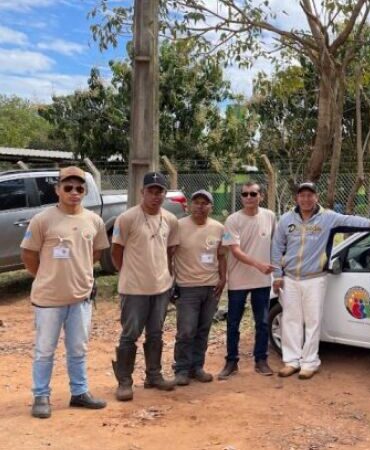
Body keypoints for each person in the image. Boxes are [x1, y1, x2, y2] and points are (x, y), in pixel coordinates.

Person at [20, 166, 110, 418]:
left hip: (80, 298)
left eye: (79, 188)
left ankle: (79, 393)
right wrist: (46, 277)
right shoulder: (42, 220)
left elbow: (95, 253)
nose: (74, 192)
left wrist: (79, 275)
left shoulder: (94, 221)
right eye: (68, 187)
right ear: (57, 189)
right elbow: (28, 255)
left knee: (78, 348)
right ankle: (41, 395)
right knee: (45, 349)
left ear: (85, 191)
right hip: (49, 299)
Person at [272, 181, 370, 380]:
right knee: (290, 320)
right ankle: (291, 361)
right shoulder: (286, 219)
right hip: (289, 278)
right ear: (297, 198)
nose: (306, 199)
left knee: (313, 321)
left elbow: (349, 219)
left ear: (316, 197)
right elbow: (276, 247)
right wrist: (277, 275)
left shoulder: (328, 218)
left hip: (315, 279)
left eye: (310, 195)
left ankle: (309, 363)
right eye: (302, 195)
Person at [111, 171, 180, 401]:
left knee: (156, 333)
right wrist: (128, 273)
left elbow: (170, 251)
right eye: (151, 191)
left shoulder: (170, 219)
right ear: (142, 192)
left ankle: (154, 375)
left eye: (159, 191)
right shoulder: (127, 218)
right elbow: (116, 251)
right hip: (134, 289)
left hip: (160, 288)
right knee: (130, 334)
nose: (155, 195)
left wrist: (168, 277)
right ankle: (124, 381)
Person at [218, 182, 276, 379]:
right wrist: (259, 264)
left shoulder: (270, 216)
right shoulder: (232, 220)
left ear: (261, 196)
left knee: (262, 322)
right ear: (241, 197)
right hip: (238, 280)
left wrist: (277, 271)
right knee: (233, 322)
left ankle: (261, 360)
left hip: (262, 281)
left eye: (253, 194)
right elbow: (234, 250)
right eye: (245, 194)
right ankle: (231, 362)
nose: (249, 197)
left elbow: (275, 244)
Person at [172, 190, 227, 385]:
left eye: (205, 203)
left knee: (203, 329)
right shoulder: (178, 226)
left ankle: (197, 367)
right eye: (196, 202)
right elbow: (169, 254)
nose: (200, 206)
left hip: (211, 287)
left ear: (211, 207)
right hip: (187, 287)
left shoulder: (218, 228)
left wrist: (223, 278)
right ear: (189, 205)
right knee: (186, 330)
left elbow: (221, 255)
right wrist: (171, 281)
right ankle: (181, 369)